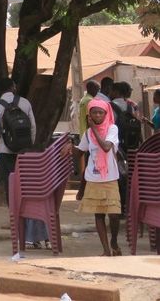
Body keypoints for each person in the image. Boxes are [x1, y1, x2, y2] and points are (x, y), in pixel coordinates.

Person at [75, 99, 123, 256]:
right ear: (89, 115)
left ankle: (114, 241)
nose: (97, 115)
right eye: (94, 112)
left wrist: (94, 129)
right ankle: (106, 250)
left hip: (110, 178)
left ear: (106, 113)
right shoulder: (87, 134)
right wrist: (69, 147)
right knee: (99, 215)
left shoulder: (112, 129)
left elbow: (106, 147)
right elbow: (80, 152)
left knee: (114, 215)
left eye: (100, 112)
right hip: (93, 179)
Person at [0, 78, 36, 201]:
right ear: (13, 87)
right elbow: (33, 126)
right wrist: (29, 144)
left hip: (6, 150)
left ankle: (14, 213)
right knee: (25, 182)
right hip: (23, 150)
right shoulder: (25, 102)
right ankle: (26, 209)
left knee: (10, 183)